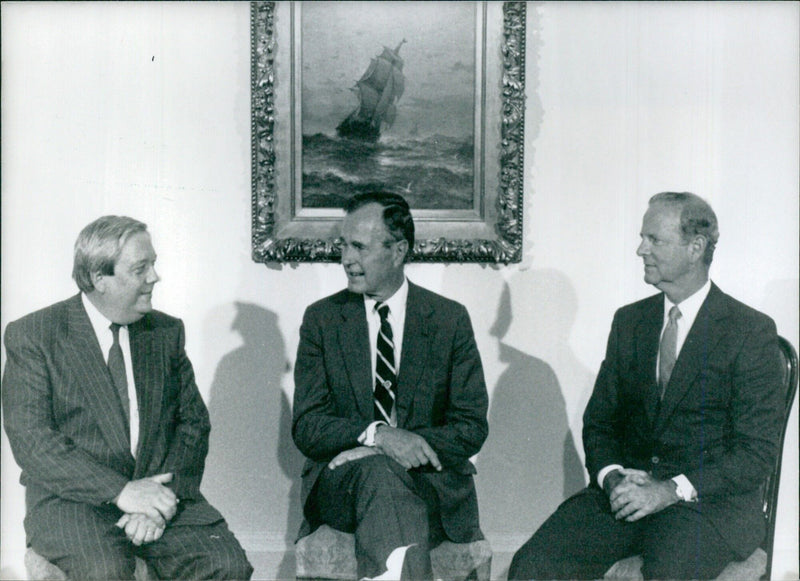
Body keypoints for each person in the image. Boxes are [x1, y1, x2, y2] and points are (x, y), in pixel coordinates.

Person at [508, 192, 784, 580]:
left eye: (654, 239)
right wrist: (614, 477)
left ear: (695, 247)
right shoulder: (630, 322)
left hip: (708, 507)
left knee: (663, 574)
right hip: (628, 497)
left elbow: (755, 454)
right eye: (643, 238)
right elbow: (601, 422)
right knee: (534, 564)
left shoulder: (749, 331)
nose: (641, 249)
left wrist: (670, 490)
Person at [2, 216, 253, 580]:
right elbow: (32, 441)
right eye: (141, 268)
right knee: (105, 571)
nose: (155, 276)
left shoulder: (165, 332)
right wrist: (121, 492)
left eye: (153, 264)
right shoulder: (35, 335)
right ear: (98, 278)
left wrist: (153, 505)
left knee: (226, 565)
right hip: (72, 501)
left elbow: (193, 424)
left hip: (161, 495)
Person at [292, 191, 489, 580]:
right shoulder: (322, 320)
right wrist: (377, 436)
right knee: (379, 477)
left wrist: (399, 446)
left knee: (385, 479)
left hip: (431, 487)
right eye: (344, 245)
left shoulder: (448, 320)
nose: (346, 259)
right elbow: (308, 426)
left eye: (359, 247)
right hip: (345, 488)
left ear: (398, 250)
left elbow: (470, 426)